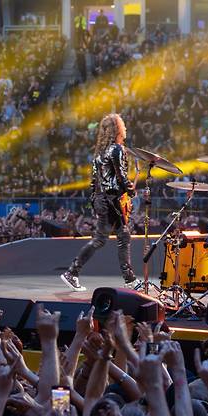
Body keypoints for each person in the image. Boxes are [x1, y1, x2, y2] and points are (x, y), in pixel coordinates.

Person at [60, 114, 140, 292]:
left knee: (102, 239)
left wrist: (95, 201)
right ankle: (130, 280)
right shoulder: (117, 149)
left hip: (101, 199)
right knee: (122, 237)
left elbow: (93, 182)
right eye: (122, 125)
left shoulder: (100, 153)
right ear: (117, 129)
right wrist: (131, 191)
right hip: (112, 199)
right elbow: (121, 177)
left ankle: (72, 272)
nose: (125, 127)